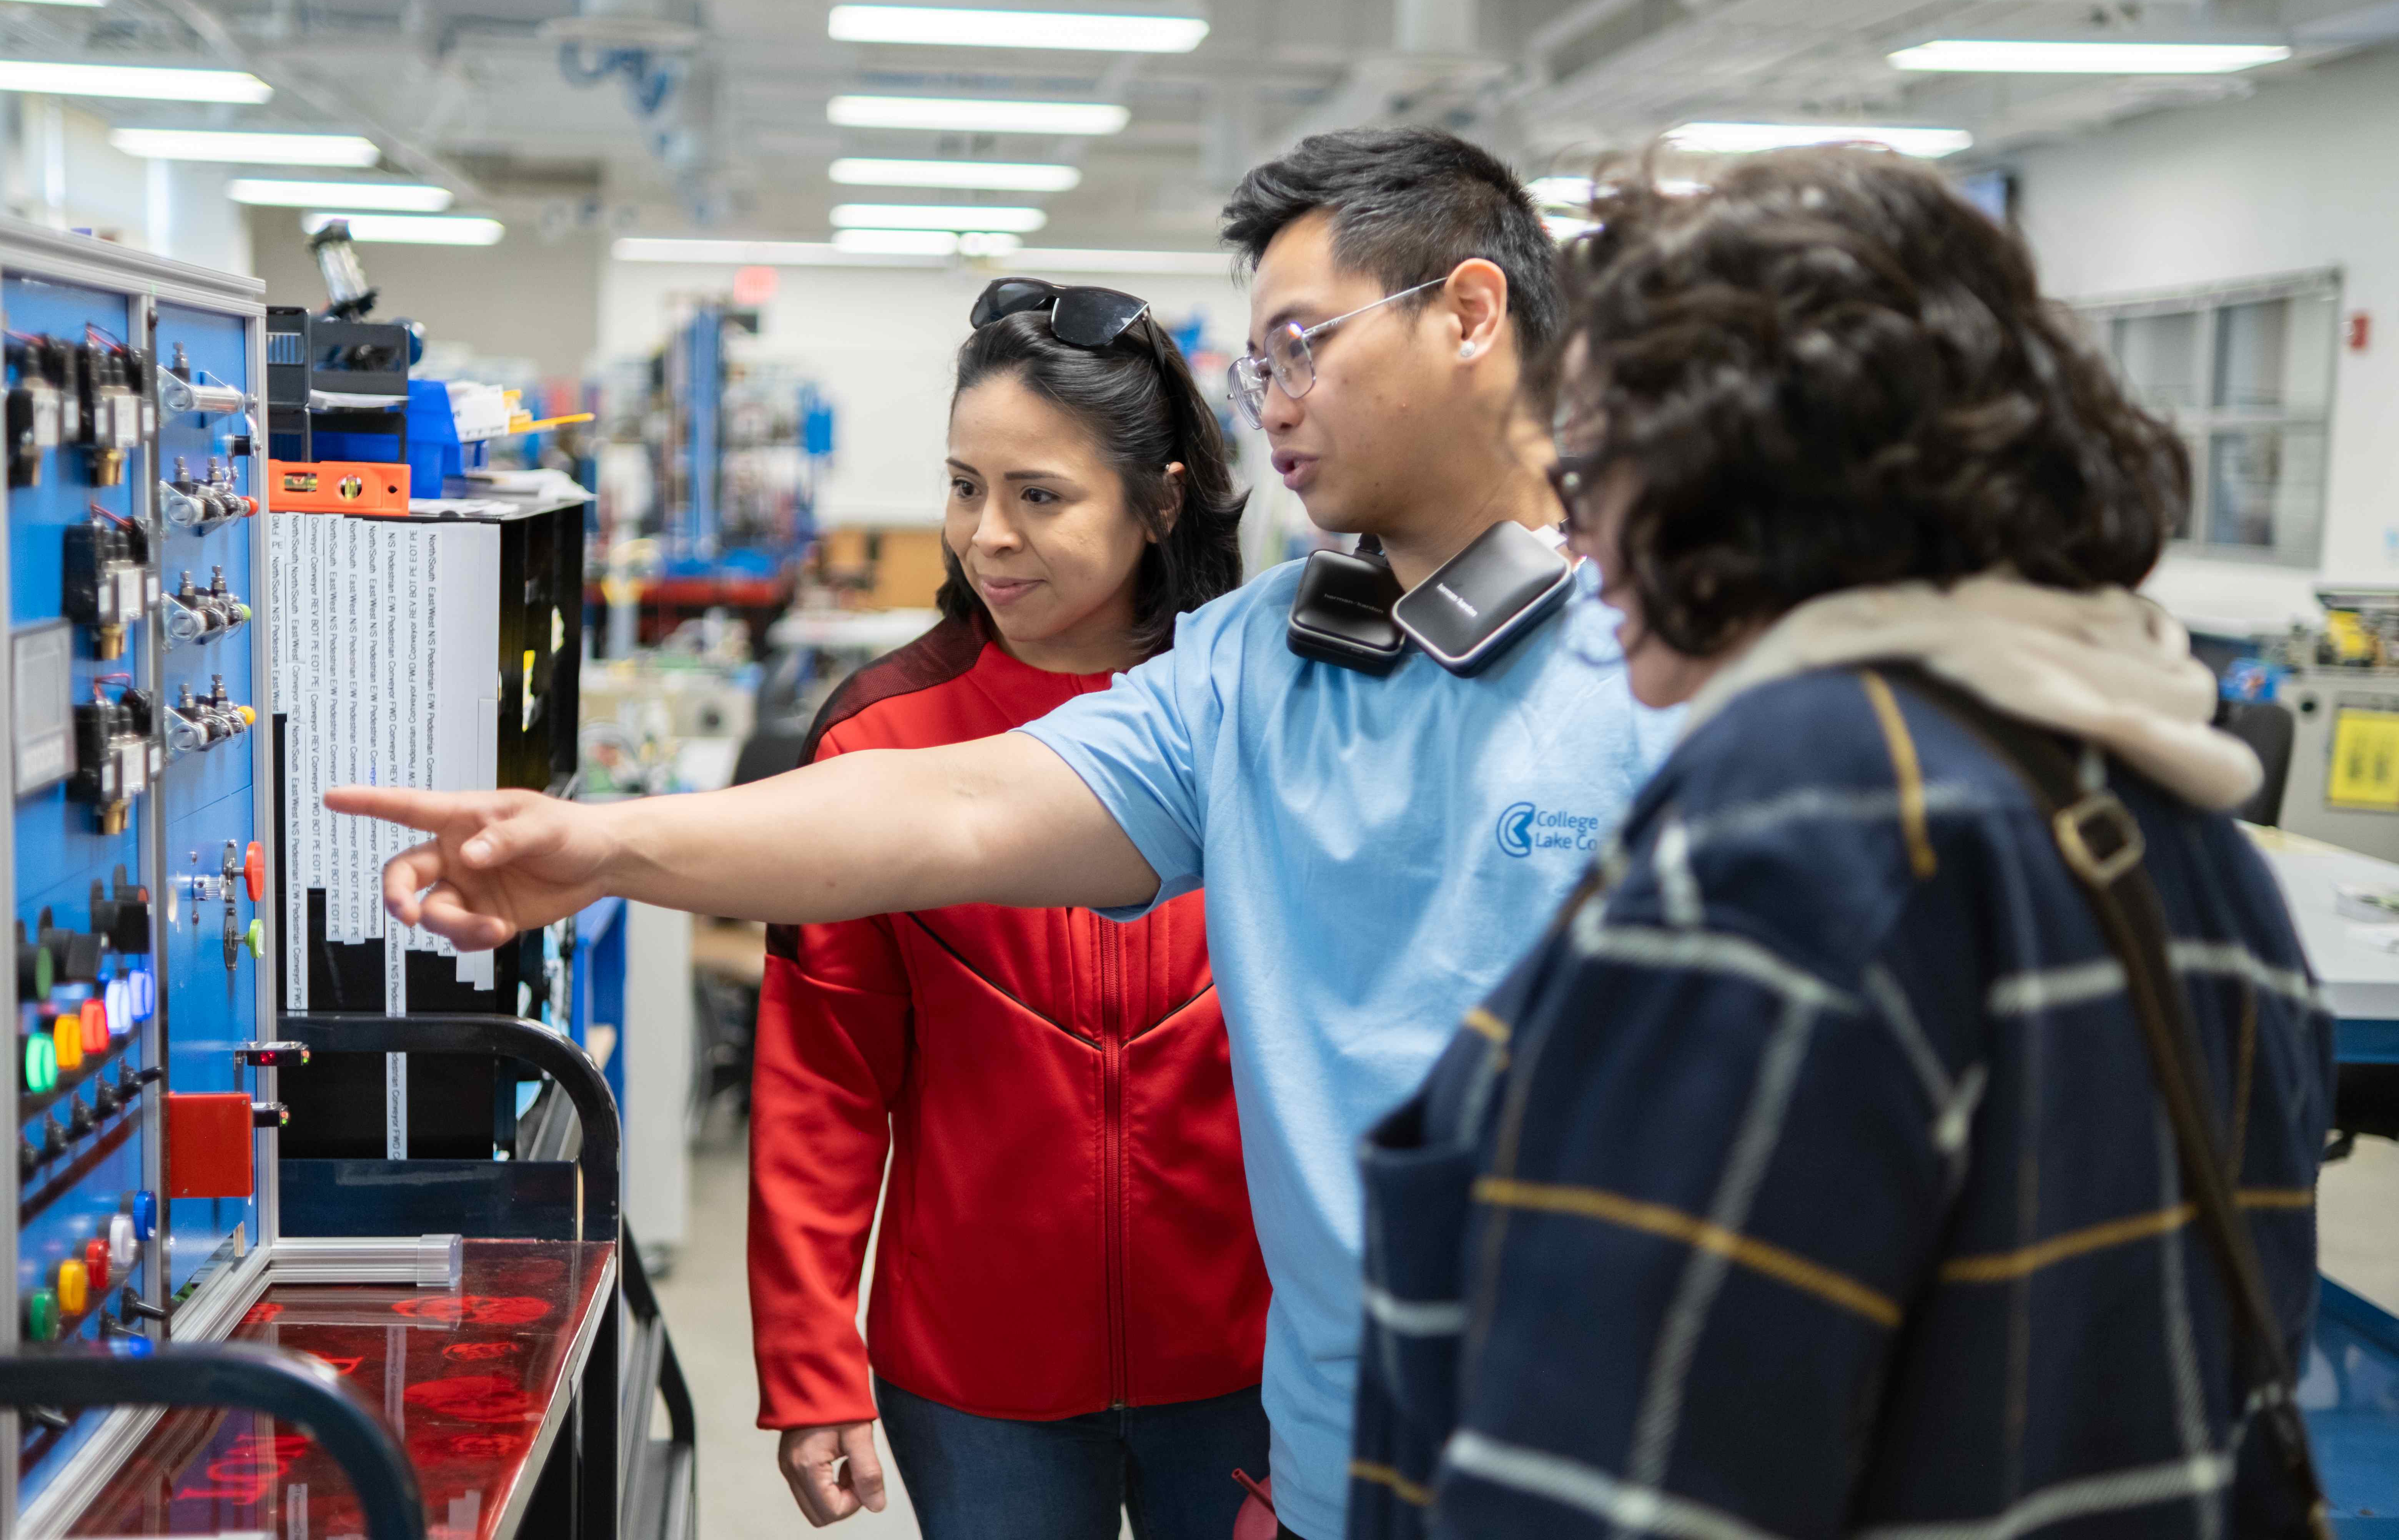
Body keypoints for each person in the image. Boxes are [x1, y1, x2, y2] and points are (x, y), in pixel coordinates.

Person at [326, 127, 1680, 1540]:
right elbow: (953, 806)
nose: (1272, 401)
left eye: (1301, 345)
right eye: (1258, 365)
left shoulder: (1684, 670)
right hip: (1335, 1459)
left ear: (1469, 313)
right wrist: (607, 848)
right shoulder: (1253, 669)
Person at [1343, 145, 2336, 1539]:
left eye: (1601, 460)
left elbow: (1607, 1491)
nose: (1580, 523)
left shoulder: (1792, 843)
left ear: (1739, 468)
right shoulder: (2184, 821)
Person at [754, 283, 1267, 1538]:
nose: (987, 536)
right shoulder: (878, 739)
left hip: (1252, 1352)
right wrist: (812, 1360)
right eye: (964, 487)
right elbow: (823, 1075)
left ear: (1160, 501)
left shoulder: (1263, 708)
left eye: (1039, 496)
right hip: (977, 1375)